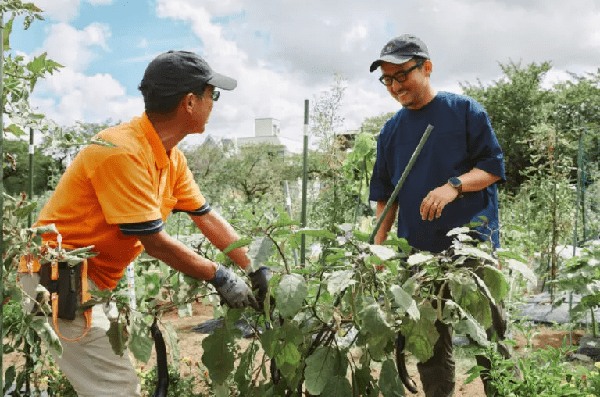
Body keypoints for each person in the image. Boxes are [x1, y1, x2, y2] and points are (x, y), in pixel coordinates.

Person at [19, 50, 270, 397]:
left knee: (107, 377)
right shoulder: (122, 151)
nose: (215, 102)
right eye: (213, 94)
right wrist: (220, 276)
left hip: (89, 278)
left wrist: (255, 269)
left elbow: (206, 217)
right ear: (190, 102)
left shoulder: (170, 156)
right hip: (57, 276)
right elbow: (155, 242)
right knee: (116, 388)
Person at [368, 35, 510, 397]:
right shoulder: (390, 132)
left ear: (426, 68)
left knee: (490, 334)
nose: (395, 86)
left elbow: (492, 168)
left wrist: (454, 186)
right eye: (388, 79)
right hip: (419, 253)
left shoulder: (464, 111)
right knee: (428, 341)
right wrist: (378, 253)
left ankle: (502, 391)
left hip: (472, 248)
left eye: (402, 75)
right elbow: (385, 199)